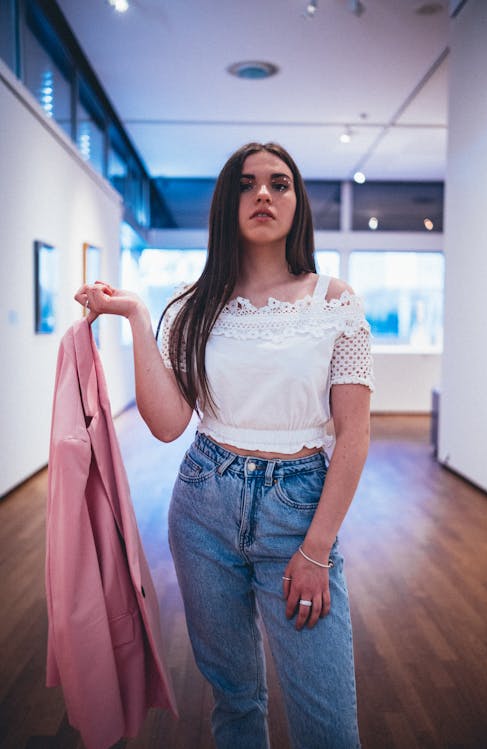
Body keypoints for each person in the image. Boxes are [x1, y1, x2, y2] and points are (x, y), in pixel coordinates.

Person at [75, 142, 373, 749]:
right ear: (225, 202)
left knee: (329, 719)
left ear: (297, 202)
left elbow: (355, 433)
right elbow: (167, 423)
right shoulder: (195, 305)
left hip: (298, 509)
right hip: (203, 504)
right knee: (235, 698)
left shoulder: (335, 302)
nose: (263, 194)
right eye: (247, 183)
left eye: (280, 183)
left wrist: (316, 549)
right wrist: (135, 316)